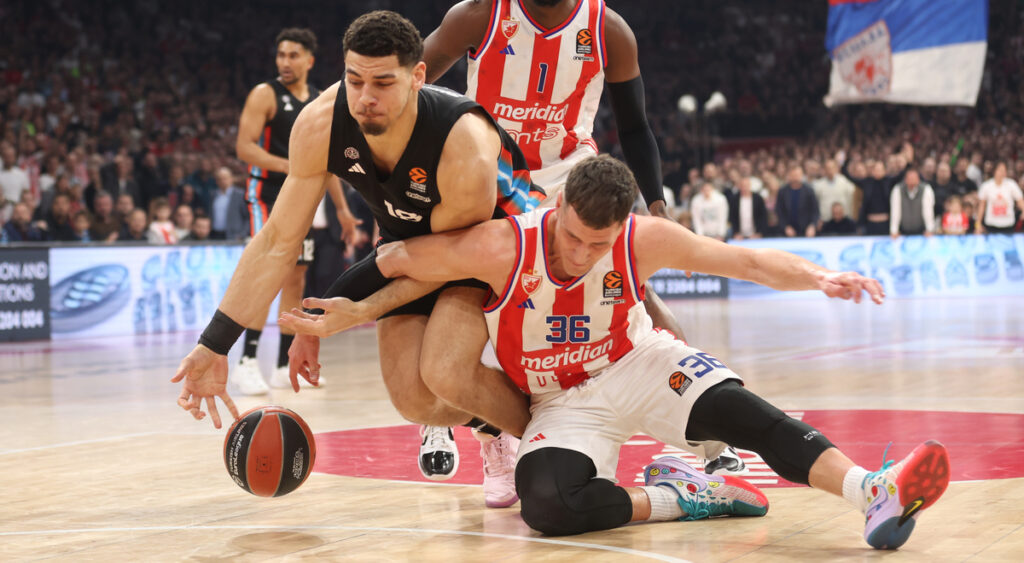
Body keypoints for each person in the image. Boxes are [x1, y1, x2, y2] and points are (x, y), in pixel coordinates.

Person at [287, 155, 949, 550]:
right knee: (545, 503)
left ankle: (874, 490)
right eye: (574, 237)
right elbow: (398, 258)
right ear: (557, 207)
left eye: (599, 244)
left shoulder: (640, 238)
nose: (581, 254)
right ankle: (686, 494)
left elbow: (741, 258)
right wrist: (323, 319)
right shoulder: (501, 244)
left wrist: (820, 277)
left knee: (743, 411)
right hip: (560, 399)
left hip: (636, 361)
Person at [173, 11, 544, 509]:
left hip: (489, 246)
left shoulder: (464, 145)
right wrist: (215, 345)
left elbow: (451, 258)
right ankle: (491, 426)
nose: (366, 97)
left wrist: (351, 310)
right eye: (354, 79)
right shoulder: (322, 123)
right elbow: (276, 241)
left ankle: (554, 438)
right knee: (414, 400)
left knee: (446, 370)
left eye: (384, 83)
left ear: (417, 77)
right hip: (403, 244)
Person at [413, 0, 726, 478]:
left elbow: (634, 127)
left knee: (639, 298)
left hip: (570, 183)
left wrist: (656, 207)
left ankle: (711, 436)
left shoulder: (609, 29)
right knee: (463, 299)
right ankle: (458, 424)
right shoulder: (478, 14)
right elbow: (414, 80)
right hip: (491, 178)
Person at [231, 27, 359, 395]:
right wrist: (291, 166)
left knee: (296, 278)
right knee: (267, 274)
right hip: (266, 195)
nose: (285, 62)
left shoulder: (320, 100)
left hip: (304, 198)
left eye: (292, 55)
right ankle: (247, 360)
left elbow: (327, 163)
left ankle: (286, 363)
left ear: (309, 60)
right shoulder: (265, 94)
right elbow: (244, 148)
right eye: (281, 55)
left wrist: (342, 210)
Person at [976, 161, 1024, 234]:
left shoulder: (1011, 184)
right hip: (991, 225)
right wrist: (978, 223)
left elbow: (1020, 200)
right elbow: (981, 206)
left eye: (1004, 171)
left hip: (1008, 225)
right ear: (994, 171)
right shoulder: (986, 186)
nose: (1002, 173)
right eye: (1000, 170)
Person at [889, 168, 935, 238]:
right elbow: (895, 211)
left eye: (914, 178)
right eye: (910, 178)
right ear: (905, 179)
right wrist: (894, 230)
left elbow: (928, 211)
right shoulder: (897, 189)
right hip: (903, 232)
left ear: (918, 179)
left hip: (921, 232)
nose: (912, 180)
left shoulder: (926, 189)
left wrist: (929, 229)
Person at [775, 165, 820, 238]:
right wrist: (785, 227)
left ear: (802, 175)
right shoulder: (783, 192)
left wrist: (812, 226)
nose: (795, 178)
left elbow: (815, 211)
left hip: (806, 231)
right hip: (787, 232)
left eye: (797, 175)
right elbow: (779, 211)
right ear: (789, 176)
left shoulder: (809, 191)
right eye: (793, 175)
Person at [209, 167, 248, 241]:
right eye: (219, 179)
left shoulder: (240, 195)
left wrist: (242, 234)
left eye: (225, 178)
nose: (222, 181)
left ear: (231, 179)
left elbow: (247, 217)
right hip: (215, 235)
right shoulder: (213, 195)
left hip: (233, 236)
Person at [728, 176, 767, 240]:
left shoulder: (758, 199)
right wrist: (735, 233)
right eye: (742, 185)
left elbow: (763, 217)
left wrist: (760, 233)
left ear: (750, 186)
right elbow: (732, 217)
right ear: (739, 186)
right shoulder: (734, 200)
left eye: (746, 185)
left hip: (755, 235)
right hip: (739, 236)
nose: (744, 188)